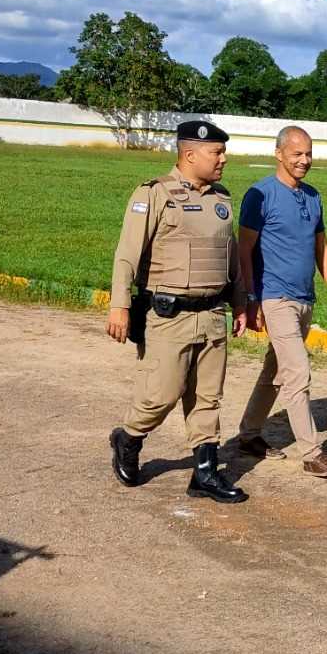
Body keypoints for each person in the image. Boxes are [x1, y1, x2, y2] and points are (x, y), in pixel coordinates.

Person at [106, 120, 249, 503]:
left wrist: (240, 301)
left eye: (222, 151)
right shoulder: (154, 194)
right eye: (216, 152)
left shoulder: (221, 199)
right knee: (161, 395)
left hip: (212, 314)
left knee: (208, 398)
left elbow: (230, 257)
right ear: (189, 154)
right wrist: (119, 304)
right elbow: (126, 254)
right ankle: (129, 437)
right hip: (169, 318)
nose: (223, 159)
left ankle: (204, 474)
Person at [236, 126, 327, 477]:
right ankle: (312, 453)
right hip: (275, 296)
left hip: (305, 297)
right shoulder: (260, 195)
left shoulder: (313, 197)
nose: (304, 161)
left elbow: (322, 249)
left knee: (276, 369)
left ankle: (249, 433)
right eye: (297, 154)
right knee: (297, 372)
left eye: (309, 154)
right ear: (279, 154)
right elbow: (244, 250)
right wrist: (250, 297)